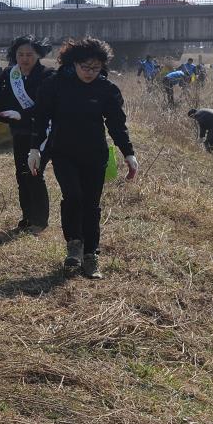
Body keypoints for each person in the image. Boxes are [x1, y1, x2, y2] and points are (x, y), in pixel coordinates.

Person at [28, 37, 138, 279]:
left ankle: (90, 255)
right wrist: (34, 148)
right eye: (85, 67)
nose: (90, 73)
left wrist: (128, 153)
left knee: (91, 204)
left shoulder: (106, 89)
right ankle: (74, 245)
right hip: (63, 152)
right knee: (73, 195)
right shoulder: (55, 84)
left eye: (96, 68)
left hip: (94, 153)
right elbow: (41, 117)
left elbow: (117, 125)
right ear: (73, 63)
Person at [0, 36, 56, 232]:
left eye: (29, 54)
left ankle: (39, 221)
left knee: (34, 173)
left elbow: (47, 107)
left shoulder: (48, 75)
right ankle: (27, 217)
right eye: (20, 54)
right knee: (22, 174)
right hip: (19, 132)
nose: (24, 59)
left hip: (42, 131)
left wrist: (22, 114)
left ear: (38, 55)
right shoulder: (9, 74)